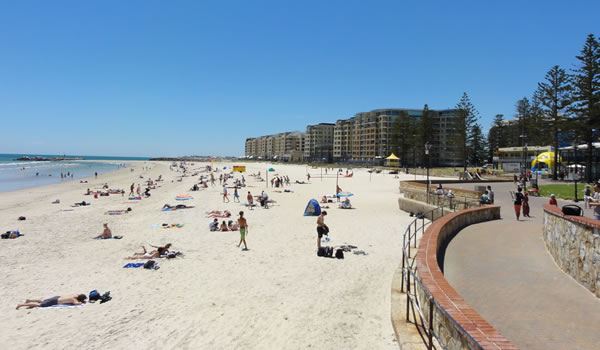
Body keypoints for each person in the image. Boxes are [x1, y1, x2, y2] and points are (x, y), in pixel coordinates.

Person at [17, 294, 87, 310]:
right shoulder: (73, 300)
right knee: (40, 305)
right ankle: (21, 305)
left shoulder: (75, 295)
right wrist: (81, 302)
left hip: (57, 297)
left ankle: (29, 300)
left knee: (43, 300)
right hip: (55, 301)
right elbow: (77, 303)